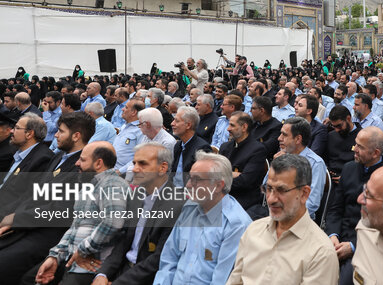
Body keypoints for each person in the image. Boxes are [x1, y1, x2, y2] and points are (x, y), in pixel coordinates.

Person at [0, 111, 95, 283]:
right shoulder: (59, 156)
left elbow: (59, 210)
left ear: (76, 136)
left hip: (48, 233)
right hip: (28, 221)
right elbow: (34, 192)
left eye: (61, 131)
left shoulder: (83, 168)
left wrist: (16, 218)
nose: (55, 135)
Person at [226, 154, 339, 285]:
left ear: (304, 194)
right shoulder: (253, 230)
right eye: (268, 189)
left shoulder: (321, 253)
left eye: (281, 190)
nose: (271, 199)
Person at [28, 142, 128, 285]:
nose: (76, 163)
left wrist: (82, 250)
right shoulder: (87, 187)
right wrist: (55, 256)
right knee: (31, 278)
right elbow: (75, 227)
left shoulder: (112, 184)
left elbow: (113, 222)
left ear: (98, 163)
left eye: (82, 159)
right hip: (71, 259)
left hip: (91, 265)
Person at [93, 143, 184, 285]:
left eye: (142, 164)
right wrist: (103, 274)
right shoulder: (136, 196)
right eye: (134, 163)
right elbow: (123, 241)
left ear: (163, 168)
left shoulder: (177, 204)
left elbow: (159, 259)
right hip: (123, 270)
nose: (134, 169)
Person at [154, 152, 251, 285]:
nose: (188, 184)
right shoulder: (189, 208)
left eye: (197, 180)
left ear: (218, 186)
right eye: (189, 178)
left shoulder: (236, 224)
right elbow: (168, 260)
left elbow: (222, 280)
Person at [325, 126, 383, 285]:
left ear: (376, 153)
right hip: (338, 238)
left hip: (366, 245)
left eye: (360, 146)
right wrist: (332, 235)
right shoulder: (349, 168)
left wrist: (352, 246)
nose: (354, 149)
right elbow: (335, 209)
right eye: (355, 144)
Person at [0, 113, 53, 219]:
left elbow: (25, 199)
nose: (11, 131)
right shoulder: (18, 152)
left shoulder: (42, 159)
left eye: (16, 128)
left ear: (29, 134)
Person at [274, 117, 327, 219]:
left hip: (299, 219)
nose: (279, 138)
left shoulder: (315, 164)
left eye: (284, 135)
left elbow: (312, 203)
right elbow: (265, 188)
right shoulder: (281, 157)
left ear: (298, 139)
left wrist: (285, 212)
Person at [219, 112, 267, 210]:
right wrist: (233, 174)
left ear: (244, 127)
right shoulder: (225, 147)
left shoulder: (257, 149)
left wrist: (223, 176)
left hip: (243, 199)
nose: (228, 129)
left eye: (232, 125)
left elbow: (245, 181)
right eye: (228, 124)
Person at [170, 106, 212, 187]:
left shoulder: (202, 148)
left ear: (188, 125)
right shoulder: (178, 145)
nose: (172, 123)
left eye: (177, 121)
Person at [112, 99, 144, 173]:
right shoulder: (124, 126)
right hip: (112, 168)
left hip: (124, 173)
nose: (123, 109)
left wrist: (120, 171)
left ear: (133, 112)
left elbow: (139, 157)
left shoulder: (140, 131)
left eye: (126, 107)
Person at [250, 96, 283, 161]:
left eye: (253, 108)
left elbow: (266, 148)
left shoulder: (276, 127)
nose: (250, 111)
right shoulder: (253, 123)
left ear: (262, 110)